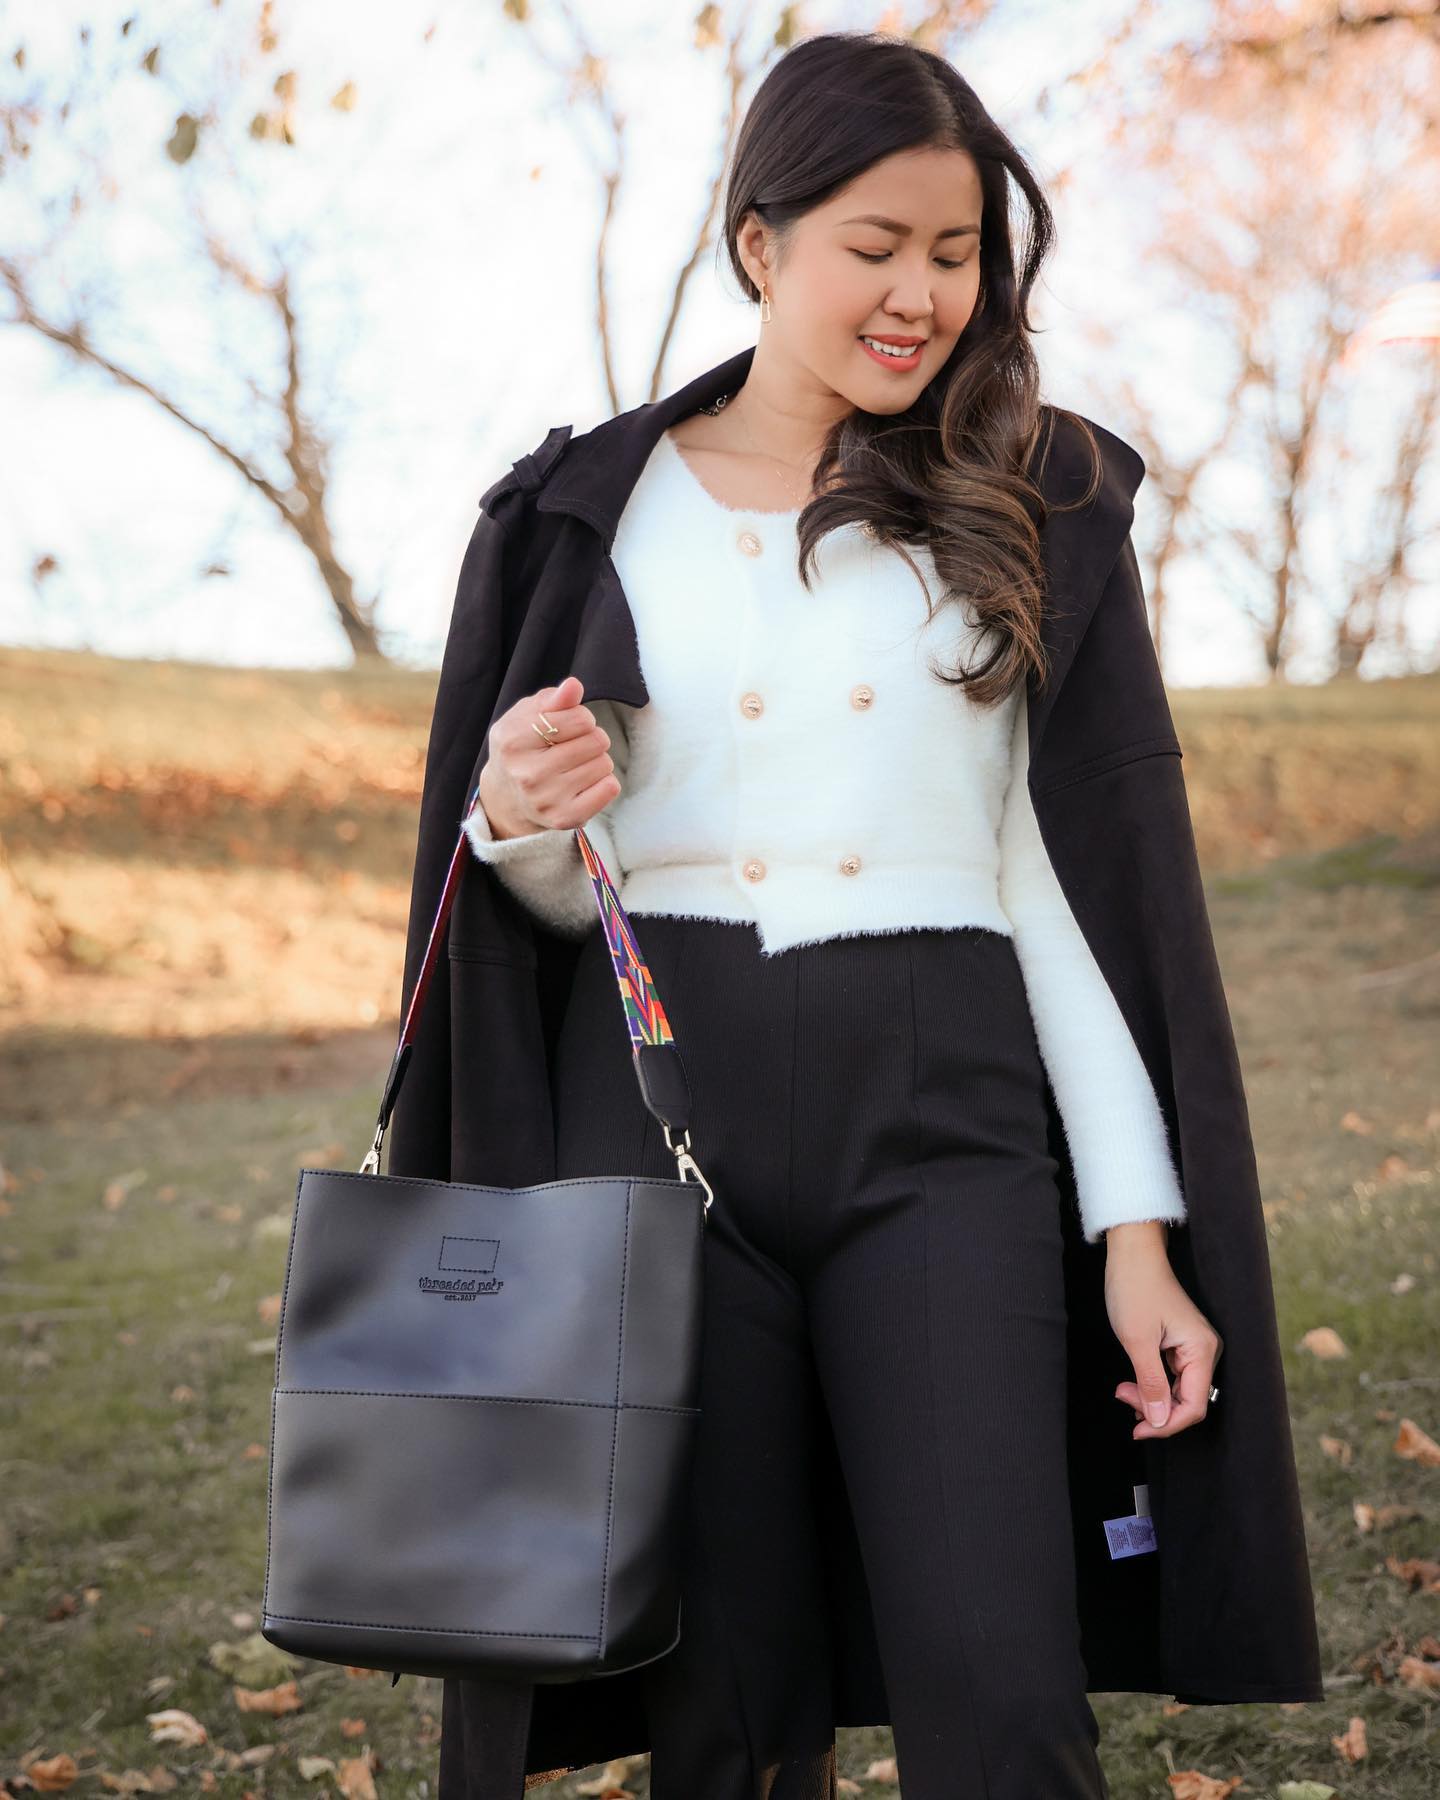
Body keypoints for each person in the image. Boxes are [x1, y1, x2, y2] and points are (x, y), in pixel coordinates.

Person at [444, 31, 1222, 1800]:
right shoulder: (596, 506)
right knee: (723, 1714)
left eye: (956, 255)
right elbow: (573, 907)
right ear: (758, 242)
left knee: (1004, 1684)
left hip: (943, 1120)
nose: (922, 295)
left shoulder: (1022, 506)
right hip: (654, 1132)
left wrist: (1136, 1229)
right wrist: (515, 819)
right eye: (877, 246)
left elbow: (1060, 891)